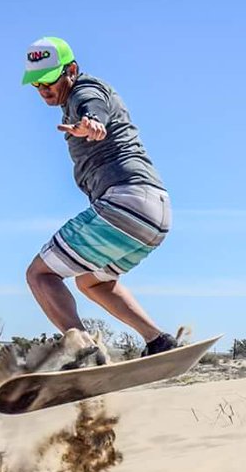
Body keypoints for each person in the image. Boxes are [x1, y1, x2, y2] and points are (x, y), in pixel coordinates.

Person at [20, 36, 178, 364]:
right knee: (92, 282)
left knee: (40, 275)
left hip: (124, 203)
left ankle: (84, 352)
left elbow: (93, 108)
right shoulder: (75, 95)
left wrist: (92, 123)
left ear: (72, 70)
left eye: (49, 80)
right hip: (156, 214)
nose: (43, 90)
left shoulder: (85, 90)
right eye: (36, 84)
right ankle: (158, 340)